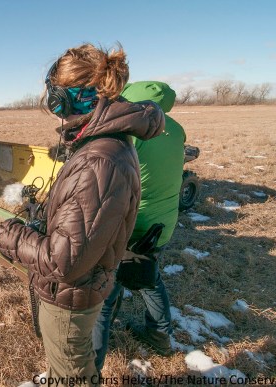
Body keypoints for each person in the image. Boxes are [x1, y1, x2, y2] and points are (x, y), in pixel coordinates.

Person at [0, 44, 164, 385]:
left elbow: (64, 262)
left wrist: (11, 237)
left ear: (67, 100)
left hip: (69, 300)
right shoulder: (102, 147)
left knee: (72, 375)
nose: (53, 109)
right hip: (74, 293)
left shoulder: (98, 161)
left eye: (54, 99)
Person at [93, 81, 186, 371]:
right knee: (148, 276)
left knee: (104, 293)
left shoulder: (133, 129)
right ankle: (160, 335)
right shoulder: (177, 129)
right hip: (164, 222)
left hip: (130, 221)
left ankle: (90, 366)